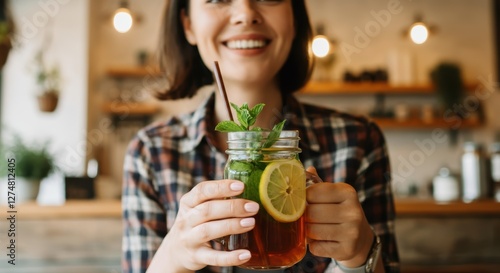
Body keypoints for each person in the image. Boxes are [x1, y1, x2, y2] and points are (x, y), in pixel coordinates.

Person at [122, 0, 400, 273]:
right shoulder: (151, 152)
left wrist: (360, 255)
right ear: (188, 24)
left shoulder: (359, 141)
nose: (245, 13)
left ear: (294, 18)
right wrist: (173, 257)